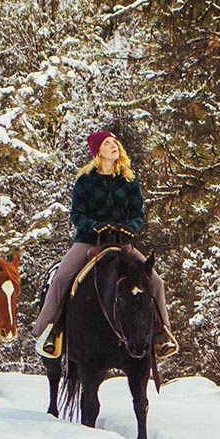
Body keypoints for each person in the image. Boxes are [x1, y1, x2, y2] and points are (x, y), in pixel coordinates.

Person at [31, 130, 176, 359]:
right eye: (107, 143)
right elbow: (77, 214)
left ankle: (162, 335)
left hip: (122, 244)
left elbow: (138, 213)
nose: (113, 146)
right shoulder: (85, 181)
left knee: (156, 281)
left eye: (115, 142)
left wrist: (131, 227)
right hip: (89, 242)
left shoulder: (128, 181)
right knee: (61, 278)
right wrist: (93, 225)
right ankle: (48, 331)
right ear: (98, 151)